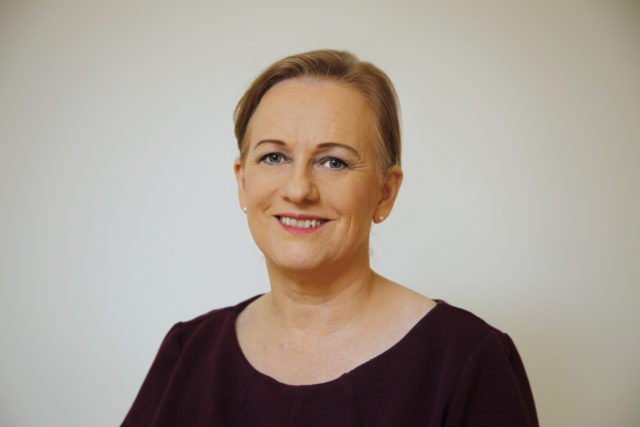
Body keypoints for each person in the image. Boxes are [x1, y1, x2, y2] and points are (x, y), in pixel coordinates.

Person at [122, 49, 539, 426]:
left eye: (333, 162)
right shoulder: (188, 352)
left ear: (385, 191)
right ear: (242, 181)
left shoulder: (469, 359)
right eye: (274, 156)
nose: (299, 189)